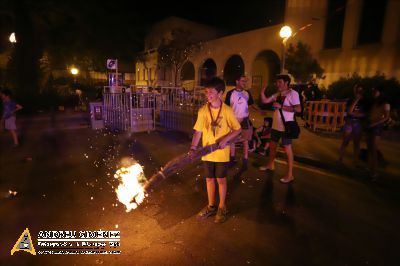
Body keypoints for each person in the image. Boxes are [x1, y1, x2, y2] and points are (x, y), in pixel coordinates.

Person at [190, 77, 241, 223]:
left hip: (221, 154)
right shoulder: (202, 111)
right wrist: (193, 147)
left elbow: (237, 129)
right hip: (207, 153)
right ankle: (211, 206)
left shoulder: (227, 111)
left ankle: (222, 206)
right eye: (206, 92)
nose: (208, 95)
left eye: (211, 92)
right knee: (209, 179)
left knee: (221, 179)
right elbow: (198, 131)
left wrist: (225, 139)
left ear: (220, 93)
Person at [259, 74, 301, 183]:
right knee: (272, 146)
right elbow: (265, 101)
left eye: (280, 82)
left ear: (286, 82)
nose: (278, 84)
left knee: (287, 149)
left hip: (286, 126)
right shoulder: (278, 94)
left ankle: (290, 174)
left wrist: (281, 106)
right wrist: (262, 92)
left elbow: (298, 109)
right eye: (277, 82)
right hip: (276, 126)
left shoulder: (293, 93)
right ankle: (270, 165)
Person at [224, 75, 259, 170]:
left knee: (245, 140)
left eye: (245, 81)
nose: (245, 83)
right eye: (243, 81)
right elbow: (226, 108)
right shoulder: (230, 93)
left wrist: (259, 110)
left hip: (245, 119)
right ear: (237, 81)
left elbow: (251, 104)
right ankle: (232, 158)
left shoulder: (247, 93)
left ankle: (245, 160)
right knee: (232, 140)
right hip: (233, 120)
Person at [365, 86, 390, 180]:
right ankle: (369, 168)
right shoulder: (374, 102)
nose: (374, 92)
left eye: (376, 91)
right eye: (373, 91)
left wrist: (375, 123)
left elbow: (386, 117)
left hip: (376, 127)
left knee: (374, 150)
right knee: (369, 148)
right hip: (370, 126)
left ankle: (374, 173)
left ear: (380, 92)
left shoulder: (386, 103)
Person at [338, 84, 366, 165]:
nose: (358, 92)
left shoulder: (364, 101)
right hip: (349, 122)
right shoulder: (351, 100)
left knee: (356, 143)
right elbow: (349, 111)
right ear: (354, 91)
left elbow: (364, 114)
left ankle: (355, 161)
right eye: (357, 90)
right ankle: (340, 159)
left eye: (360, 91)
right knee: (345, 141)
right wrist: (356, 100)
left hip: (358, 123)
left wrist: (356, 114)